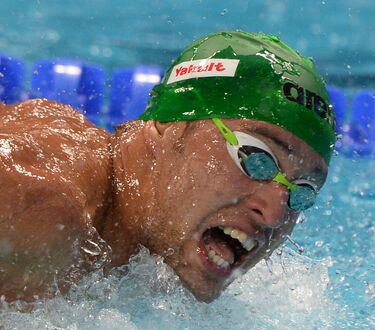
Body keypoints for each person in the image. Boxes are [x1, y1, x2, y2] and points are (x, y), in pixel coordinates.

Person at [0, 30, 336, 303]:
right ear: (168, 126)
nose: (276, 214)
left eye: (302, 191)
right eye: (256, 160)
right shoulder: (38, 205)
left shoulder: (156, 250)